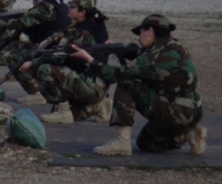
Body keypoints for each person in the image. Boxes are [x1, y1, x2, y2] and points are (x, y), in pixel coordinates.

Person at [70, 14, 206, 157]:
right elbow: (143, 68)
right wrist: (121, 53)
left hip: (177, 113)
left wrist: (90, 59)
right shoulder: (176, 46)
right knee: (146, 143)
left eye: (140, 32)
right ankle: (188, 133)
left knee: (127, 85)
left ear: (150, 31)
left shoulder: (153, 56)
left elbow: (117, 75)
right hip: (191, 112)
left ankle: (122, 140)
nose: (138, 38)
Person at [16, 0, 113, 124]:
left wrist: (32, 63)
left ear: (82, 12)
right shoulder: (95, 26)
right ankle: (99, 106)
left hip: (90, 84)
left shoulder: (79, 32)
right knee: (76, 115)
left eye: (73, 7)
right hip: (97, 83)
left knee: (46, 69)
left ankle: (63, 111)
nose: (68, 8)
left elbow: (58, 56)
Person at [0, 0, 70, 106]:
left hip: (48, 47)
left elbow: (21, 22)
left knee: (12, 58)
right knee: (15, 48)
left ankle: (35, 93)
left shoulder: (46, 6)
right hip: (54, 45)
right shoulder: (61, 5)